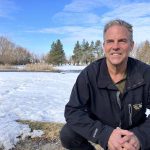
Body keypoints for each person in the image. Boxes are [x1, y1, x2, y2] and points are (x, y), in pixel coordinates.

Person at [60, 19, 150, 150]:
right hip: (103, 129)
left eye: (122, 41)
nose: (115, 46)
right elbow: (73, 111)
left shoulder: (145, 73)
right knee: (68, 134)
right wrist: (105, 134)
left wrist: (139, 137)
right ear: (104, 46)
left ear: (131, 45)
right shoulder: (89, 75)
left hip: (134, 132)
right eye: (110, 41)